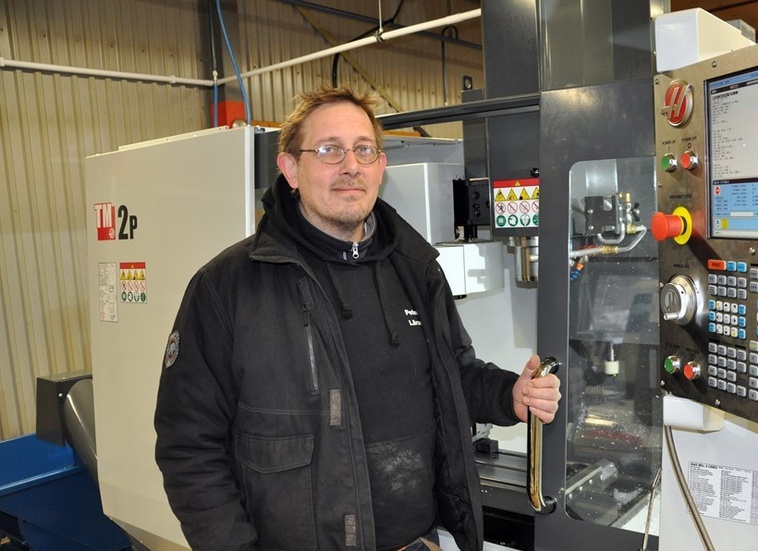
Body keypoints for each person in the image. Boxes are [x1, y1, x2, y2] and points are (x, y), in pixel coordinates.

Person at [153, 84, 562, 551]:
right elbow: (188, 447)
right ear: (290, 169)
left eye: (364, 150)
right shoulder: (227, 286)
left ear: (380, 167)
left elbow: (454, 374)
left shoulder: (416, 268)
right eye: (329, 150)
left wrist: (511, 395)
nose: (350, 166)